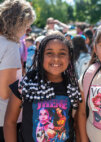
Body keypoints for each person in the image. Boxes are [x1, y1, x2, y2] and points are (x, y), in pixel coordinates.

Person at [4, 34, 82, 142]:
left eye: (62, 53)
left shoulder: (73, 88)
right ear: (40, 56)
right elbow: (9, 122)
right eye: (49, 53)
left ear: (69, 57)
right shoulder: (24, 85)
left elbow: (77, 125)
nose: (56, 58)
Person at [0, 0, 36, 141]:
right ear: (17, 23)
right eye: (27, 26)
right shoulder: (10, 46)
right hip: (6, 119)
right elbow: (5, 93)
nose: (28, 30)